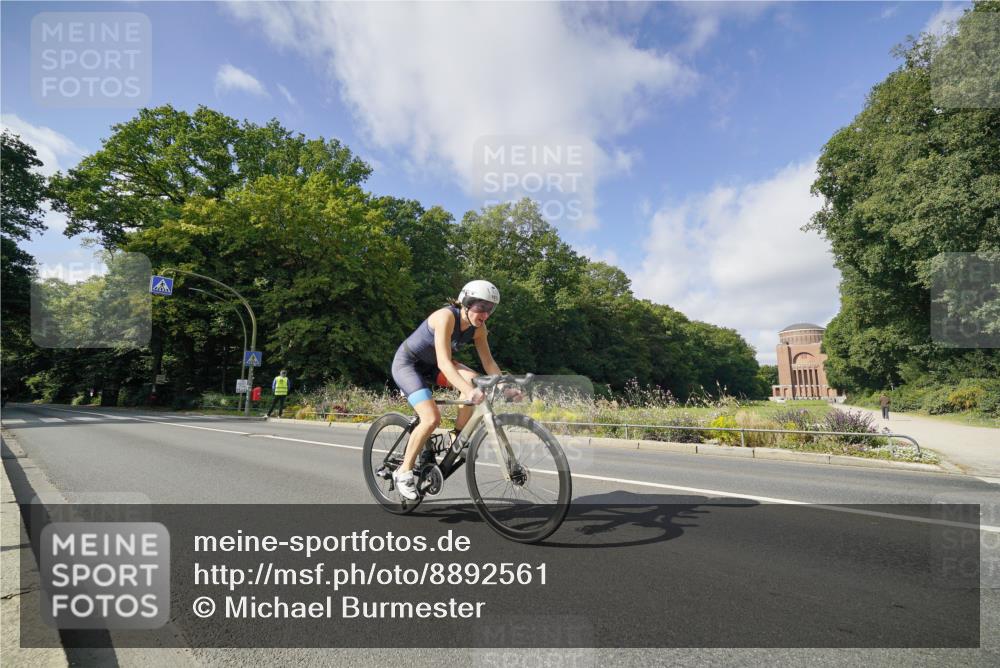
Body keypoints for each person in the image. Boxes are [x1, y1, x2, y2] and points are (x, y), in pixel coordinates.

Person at [389, 280, 505, 500]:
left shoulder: (479, 330)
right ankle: (403, 471)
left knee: (477, 380)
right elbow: (444, 362)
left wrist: (504, 385)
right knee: (431, 418)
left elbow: (489, 364)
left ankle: (458, 436)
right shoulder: (445, 317)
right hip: (408, 365)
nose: (486, 314)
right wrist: (469, 392)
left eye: (490, 309)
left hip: (433, 367)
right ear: (466, 303)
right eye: (482, 307)